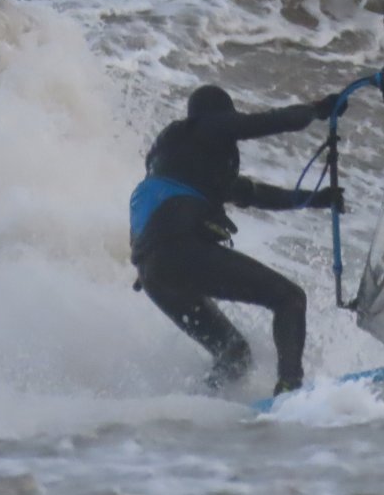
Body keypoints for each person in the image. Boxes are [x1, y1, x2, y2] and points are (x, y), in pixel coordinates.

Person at [130, 83, 345, 396]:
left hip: (154, 277)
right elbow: (262, 123)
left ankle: (201, 407)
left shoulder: (185, 164)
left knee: (234, 354)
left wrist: (313, 199)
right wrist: (316, 109)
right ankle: (290, 391)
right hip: (180, 251)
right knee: (289, 299)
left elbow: (255, 194)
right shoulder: (200, 127)